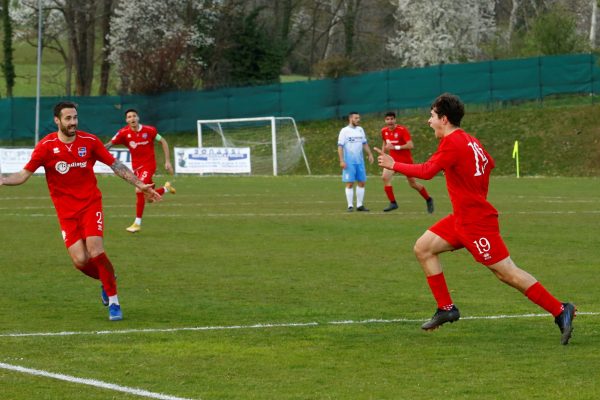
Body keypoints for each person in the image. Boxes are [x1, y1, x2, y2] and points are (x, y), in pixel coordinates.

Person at [374, 93, 576, 345]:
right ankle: (446, 308)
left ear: (444, 119)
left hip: (476, 223)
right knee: (423, 247)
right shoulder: (469, 140)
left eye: (432, 116)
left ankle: (560, 309)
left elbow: (427, 171)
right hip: (461, 218)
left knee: (507, 273)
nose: (429, 121)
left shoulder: (452, 143)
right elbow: (488, 163)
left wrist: (394, 164)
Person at [0, 101, 161, 321]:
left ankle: (114, 302)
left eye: (75, 117)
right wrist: (3, 179)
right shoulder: (46, 146)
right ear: (57, 120)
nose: (73, 122)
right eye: (68, 118)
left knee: (95, 250)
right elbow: (23, 175)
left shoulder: (90, 141)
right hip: (66, 212)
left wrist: (139, 184)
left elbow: (116, 165)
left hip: (90, 205)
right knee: (80, 261)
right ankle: (108, 278)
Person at [105, 108, 175, 233]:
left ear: (138, 118)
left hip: (149, 165)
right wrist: (96, 151)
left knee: (139, 189)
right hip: (136, 167)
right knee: (148, 198)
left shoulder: (149, 130)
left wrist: (167, 161)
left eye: (134, 116)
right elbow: (109, 144)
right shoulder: (123, 133)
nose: (132, 118)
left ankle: (137, 223)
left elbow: (163, 141)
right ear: (126, 120)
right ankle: (166, 189)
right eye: (129, 117)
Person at [380, 111, 434, 213]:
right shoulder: (384, 131)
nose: (390, 121)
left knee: (413, 184)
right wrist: (383, 154)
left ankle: (428, 199)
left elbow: (410, 145)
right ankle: (393, 203)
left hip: (405, 161)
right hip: (392, 161)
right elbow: (385, 143)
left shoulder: (402, 130)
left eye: (392, 119)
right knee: (385, 177)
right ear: (385, 120)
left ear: (395, 120)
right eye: (387, 119)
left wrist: (395, 147)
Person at [337, 111, 374, 211]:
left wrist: (370, 154)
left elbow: (364, 143)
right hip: (349, 162)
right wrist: (342, 160)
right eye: (356, 118)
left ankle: (359, 205)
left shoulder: (360, 130)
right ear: (350, 119)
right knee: (350, 183)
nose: (358, 120)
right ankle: (350, 205)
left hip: (360, 161)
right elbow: (340, 146)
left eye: (359, 118)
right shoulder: (344, 131)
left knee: (362, 182)